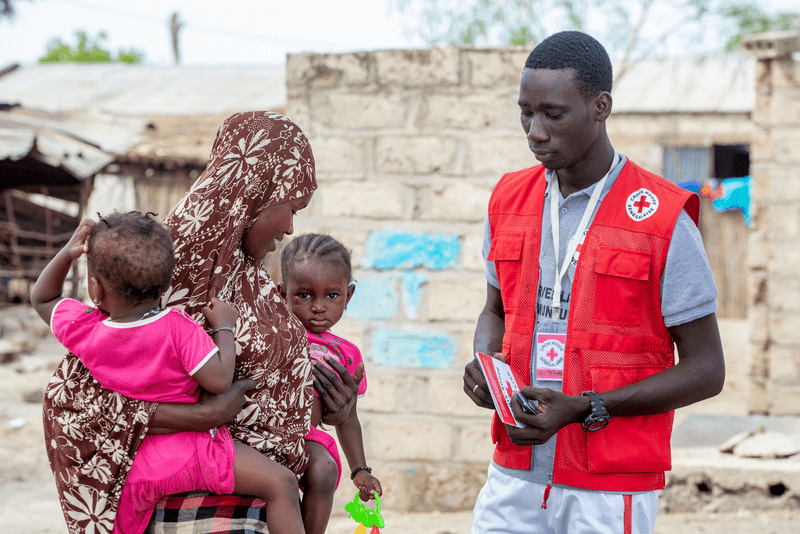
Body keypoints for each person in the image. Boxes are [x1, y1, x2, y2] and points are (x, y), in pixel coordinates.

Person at [41, 111, 362, 534]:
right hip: (201, 508)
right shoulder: (169, 263)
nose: (288, 228)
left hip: (264, 501)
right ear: (256, 191)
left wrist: (335, 408)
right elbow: (78, 402)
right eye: (291, 209)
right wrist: (200, 417)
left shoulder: (248, 269)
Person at [462, 31, 725, 534]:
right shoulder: (508, 200)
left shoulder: (661, 217)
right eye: (525, 112)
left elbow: (707, 370)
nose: (534, 131)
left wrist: (587, 407)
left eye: (553, 114)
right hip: (514, 474)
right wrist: (485, 360)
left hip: (609, 486)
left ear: (600, 106)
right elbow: (495, 310)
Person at [30, 211, 305, 534]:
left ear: (96, 289)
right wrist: (225, 327)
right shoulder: (178, 328)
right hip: (192, 453)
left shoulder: (85, 329)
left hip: (131, 468)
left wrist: (68, 253)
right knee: (281, 484)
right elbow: (218, 380)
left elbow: (42, 297)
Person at [277, 233, 383, 534]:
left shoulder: (346, 355)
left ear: (347, 296)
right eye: (305, 295)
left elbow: (348, 418)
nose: (319, 307)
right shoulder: (275, 335)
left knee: (323, 470)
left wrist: (360, 468)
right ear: (282, 293)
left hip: (308, 438)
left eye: (331, 296)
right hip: (268, 432)